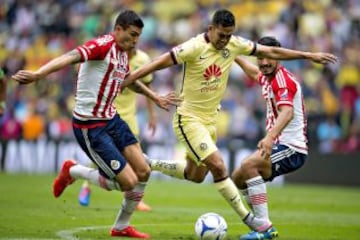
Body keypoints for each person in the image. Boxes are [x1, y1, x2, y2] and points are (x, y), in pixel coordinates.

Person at [121, 9, 337, 238]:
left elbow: (286, 108)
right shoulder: (195, 47)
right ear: (211, 29)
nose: (225, 41)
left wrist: (307, 55)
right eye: (221, 35)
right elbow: (157, 63)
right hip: (189, 118)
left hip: (276, 142)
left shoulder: (277, 76)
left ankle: (148, 163)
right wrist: (128, 80)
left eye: (229, 36)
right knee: (229, 171)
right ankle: (260, 226)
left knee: (203, 175)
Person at [12, 10, 178, 239]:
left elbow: (130, 82)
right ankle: (73, 170)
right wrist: (38, 74)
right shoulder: (101, 46)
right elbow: (70, 56)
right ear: (118, 29)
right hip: (91, 127)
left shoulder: (122, 53)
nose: (135, 41)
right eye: (131, 34)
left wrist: (155, 97)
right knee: (128, 183)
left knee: (143, 171)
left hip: (112, 119)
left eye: (138, 36)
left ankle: (120, 227)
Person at [231, 36, 309, 240]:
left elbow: (287, 112)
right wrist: (234, 55)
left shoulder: (283, 80)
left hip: (292, 148)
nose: (264, 62)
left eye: (269, 58)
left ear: (278, 57)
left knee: (249, 165)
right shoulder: (268, 77)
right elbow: (254, 73)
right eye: (260, 57)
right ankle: (259, 226)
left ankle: (264, 229)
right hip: (280, 145)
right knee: (238, 178)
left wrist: (269, 138)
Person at [78, 46, 156, 212]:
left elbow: (148, 86)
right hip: (108, 115)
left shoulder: (143, 59)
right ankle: (86, 186)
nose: (132, 42)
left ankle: (135, 198)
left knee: (138, 161)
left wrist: (152, 115)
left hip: (129, 117)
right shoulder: (111, 56)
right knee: (99, 156)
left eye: (136, 37)